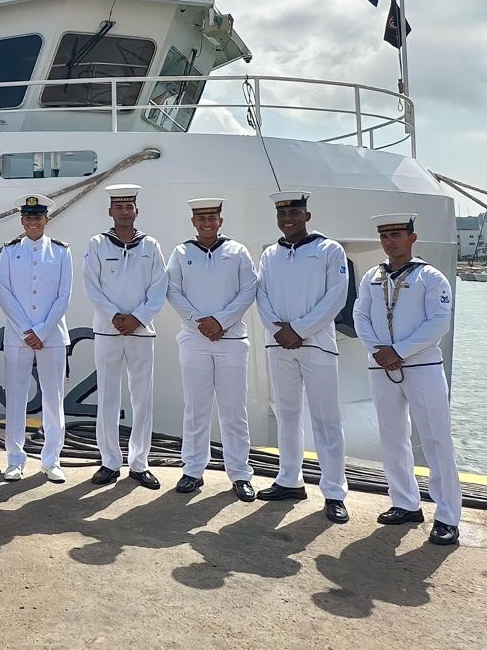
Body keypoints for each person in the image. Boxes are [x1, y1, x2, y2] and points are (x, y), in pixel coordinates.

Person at [354, 213, 461, 545]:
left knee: (436, 440)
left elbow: (438, 323)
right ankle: (404, 502)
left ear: (412, 238)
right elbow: (360, 313)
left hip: (421, 366)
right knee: (392, 436)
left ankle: (447, 515)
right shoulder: (373, 276)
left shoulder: (431, 277)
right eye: (385, 236)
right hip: (382, 366)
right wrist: (377, 349)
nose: (390, 241)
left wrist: (398, 350)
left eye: (397, 234)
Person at [254, 192, 350, 524]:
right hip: (278, 344)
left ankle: (335, 491)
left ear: (307, 216)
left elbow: (335, 297)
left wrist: (299, 329)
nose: (288, 220)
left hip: (317, 345)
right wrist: (279, 330)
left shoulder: (329, 250)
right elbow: (261, 295)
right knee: (287, 414)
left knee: (326, 420)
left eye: (294, 213)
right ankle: (289, 480)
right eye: (282, 215)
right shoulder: (269, 255)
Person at [165, 198, 259, 501]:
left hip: (231, 340)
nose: (206, 223)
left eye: (212, 217)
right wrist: (199, 321)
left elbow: (249, 289)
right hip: (194, 339)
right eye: (201, 217)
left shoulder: (237, 251)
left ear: (221, 220)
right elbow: (173, 290)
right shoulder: (181, 253)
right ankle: (193, 469)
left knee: (233, 411)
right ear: (193, 221)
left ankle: (240, 474)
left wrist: (221, 321)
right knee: (196, 408)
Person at [83, 184, 168, 488]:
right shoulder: (97, 244)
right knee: (107, 395)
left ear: (136, 211)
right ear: (110, 211)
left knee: (142, 398)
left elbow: (159, 287)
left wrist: (137, 318)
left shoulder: (151, 246)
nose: (123, 212)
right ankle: (109, 461)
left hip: (141, 331)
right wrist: (115, 317)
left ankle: (139, 462)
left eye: (128, 207)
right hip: (108, 330)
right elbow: (92, 285)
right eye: (118, 207)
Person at [0, 194, 72, 483]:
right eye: (28, 217)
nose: (33, 222)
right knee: (16, 400)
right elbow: (5, 293)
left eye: (38, 217)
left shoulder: (62, 252)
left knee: (53, 400)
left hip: (51, 336)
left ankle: (51, 460)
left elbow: (64, 295)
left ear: (46, 220)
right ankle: (15, 460)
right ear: (22, 220)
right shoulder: (9, 251)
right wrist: (27, 330)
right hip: (19, 337)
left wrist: (40, 330)